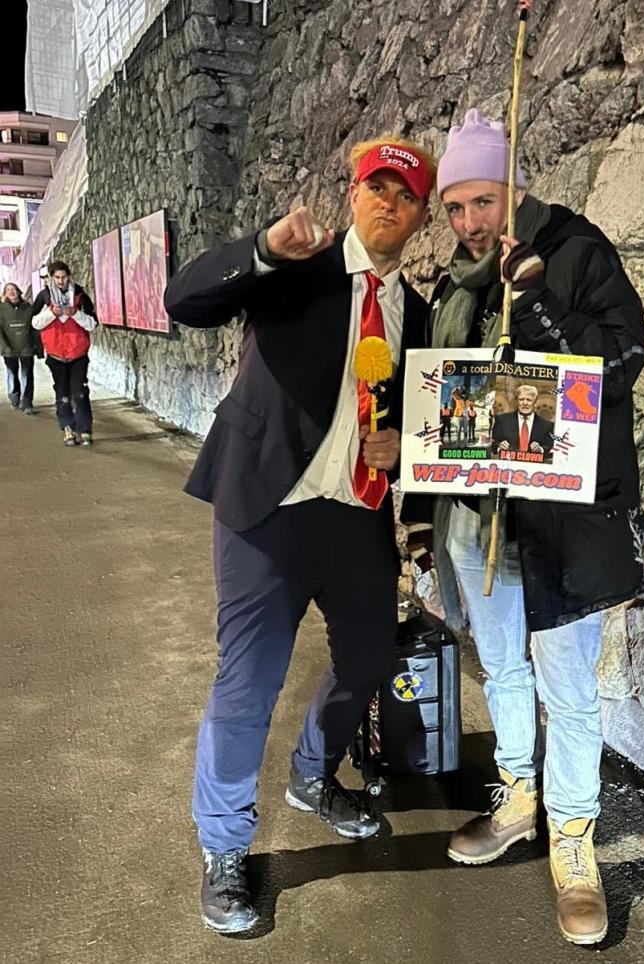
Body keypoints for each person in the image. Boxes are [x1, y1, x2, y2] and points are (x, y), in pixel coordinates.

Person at [163, 135, 436, 935]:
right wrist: (259, 252)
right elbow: (185, 301)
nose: (388, 202)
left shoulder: (416, 317)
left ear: (420, 217)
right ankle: (224, 849)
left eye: (406, 195)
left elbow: (434, 423)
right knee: (248, 685)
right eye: (375, 187)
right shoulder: (295, 267)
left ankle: (313, 775)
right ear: (352, 195)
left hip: (356, 516)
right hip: (267, 508)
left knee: (372, 661)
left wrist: (408, 446)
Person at [422, 106, 644, 945]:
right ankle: (519, 796)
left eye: (482, 201)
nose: (469, 222)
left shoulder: (578, 251)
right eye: (455, 207)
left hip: (561, 523)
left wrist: (539, 298)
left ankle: (576, 840)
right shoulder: (453, 282)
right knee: (502, 669)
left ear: (513, 188)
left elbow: (621, 365)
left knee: (569, 688)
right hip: (478, 521)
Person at [31, 261, 97, 446]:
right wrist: (52, 313)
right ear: (51, 278)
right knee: (62, 394)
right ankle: (68, 428)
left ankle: (85, 429)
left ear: (69, 276)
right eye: (57, 277)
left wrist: (75, 313)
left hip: (78, 353)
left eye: (64, 277)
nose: (61, 281)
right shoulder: (43, 297)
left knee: (80, 392)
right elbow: (35, 323)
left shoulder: (80, 295)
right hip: (56, 354)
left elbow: (92, 323)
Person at [0, 282, 42, 415]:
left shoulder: (27, 307)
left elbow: (34, 326)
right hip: (8, 347)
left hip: (26, 346)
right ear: (5, 294)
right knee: (12, 373)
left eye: (14, 289)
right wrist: (4, 346)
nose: (11, 292)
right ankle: (14, 398)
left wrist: (37, 347)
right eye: (8, 290)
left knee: (27, 374)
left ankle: (27, 402)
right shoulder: (1, 309)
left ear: (19, 291)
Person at [490, 383, 553, 460]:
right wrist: (499, 447)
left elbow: (549, 447)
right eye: (521, 399)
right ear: (516, 401)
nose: (525, 403)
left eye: (529, 400)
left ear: (535, 403)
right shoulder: (502, 420)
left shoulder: (547, 425)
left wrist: (540, 450)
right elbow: (493, 443)